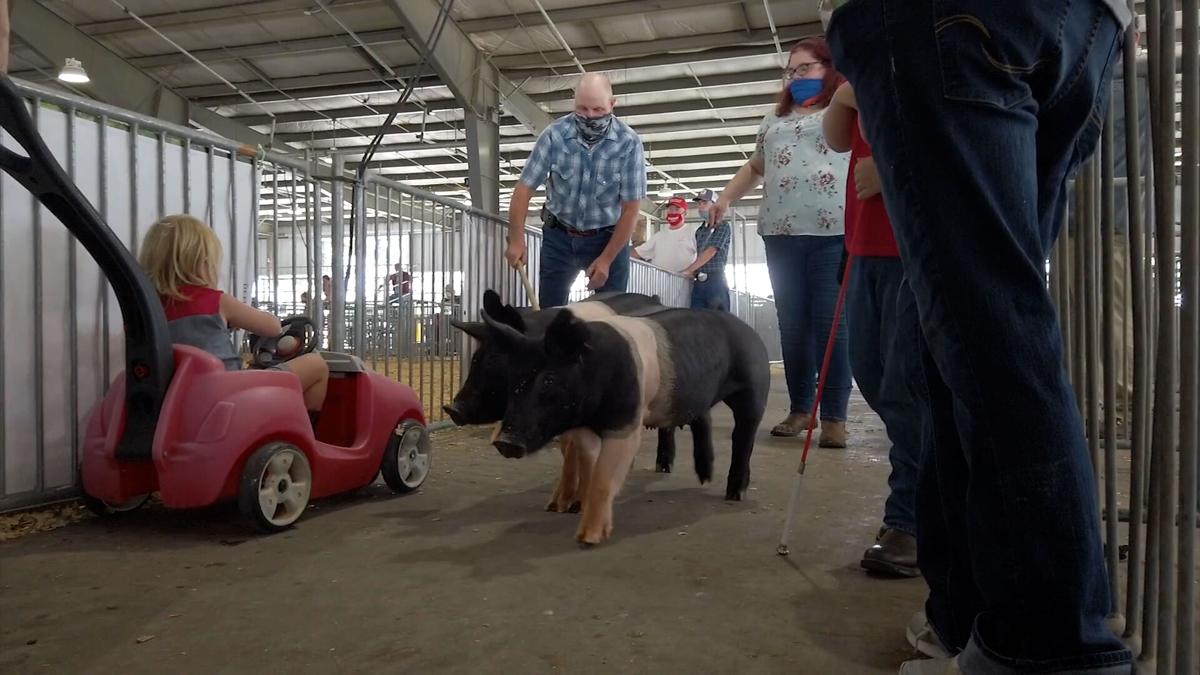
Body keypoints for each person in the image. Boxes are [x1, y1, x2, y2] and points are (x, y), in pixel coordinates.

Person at [826, 1, 1133, 673]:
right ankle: (969, 621)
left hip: (951, 20)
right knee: (973, 332)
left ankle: (1053, 647)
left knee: (991, 331)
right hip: (1088, 26)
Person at [709, 38, 851, 448]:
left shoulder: (844, 106)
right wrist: (725, 198)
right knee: (793, 327)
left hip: (833, 233)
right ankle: (801, 409)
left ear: (829, 67)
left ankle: (836, 417)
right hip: (780, 234)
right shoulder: (774, 118)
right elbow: (755, 166)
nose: (796, 77)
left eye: (804, 69)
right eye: (790, 71)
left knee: (831, 327)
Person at [825, 81, 922, 578]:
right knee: (871, 372)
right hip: (866, 246)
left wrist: (895, 170)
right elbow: (839, 139)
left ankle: (910, 520)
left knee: (908, 389)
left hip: (916, 243)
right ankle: (927, 501)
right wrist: (845, 95)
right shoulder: (871, 57)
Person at [139, 214, 329, 417]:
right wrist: (235, 317)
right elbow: (273, 327)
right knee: (317, 365)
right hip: (231, 396)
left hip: (176, 402)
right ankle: (302, 439)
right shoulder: (216, 301)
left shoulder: (145, 312)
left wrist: (227, 323)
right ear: (203, 263)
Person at [504, 73, 647, 308]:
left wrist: (607, 259)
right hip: (558, 237)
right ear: (573, 102)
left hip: (608, 238)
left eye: (598, 109)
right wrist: (517, 238)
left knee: (611, 315)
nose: (590, 116)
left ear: (612, 104)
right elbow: (523, 189)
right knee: (550, 314)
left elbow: (631, 211)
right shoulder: (554, 135)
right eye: (583, 109)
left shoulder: (629, 143)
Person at [683, 189, 732, 310]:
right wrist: (694, 271)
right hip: (699, 281)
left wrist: (689, 269)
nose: (700, 207)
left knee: (719, 320)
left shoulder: (723, 226)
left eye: (704, 203)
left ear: (714, 205)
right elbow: (699, 253)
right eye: (699, 204)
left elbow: (711, 251)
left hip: (715, 280)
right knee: (698, 319)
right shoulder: (700, 231)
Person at [631, 196, 698, 274]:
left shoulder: (693, 233)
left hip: (683, 282)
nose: (673, 212)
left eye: (677, 209)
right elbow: (638, 252)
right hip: (661, 282)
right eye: (670, 209)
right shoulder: (658, 236)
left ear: (685, 212)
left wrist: (690, 271)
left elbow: (702, 256)